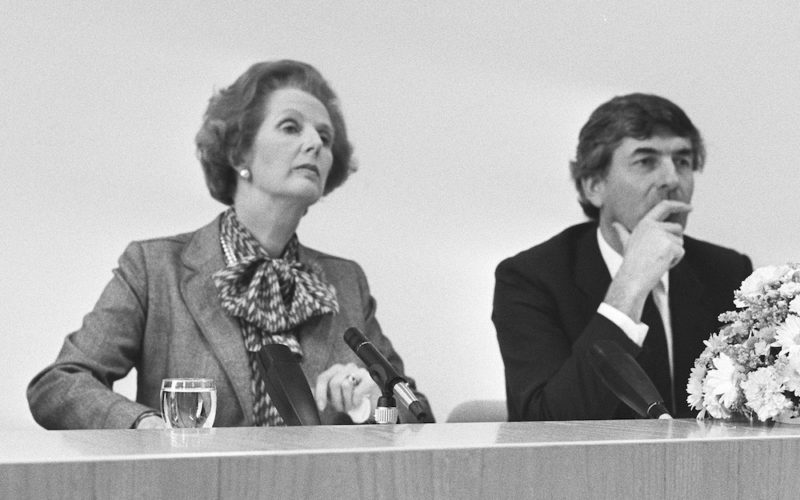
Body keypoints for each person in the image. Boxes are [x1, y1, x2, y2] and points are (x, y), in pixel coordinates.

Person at [28, 60, 433, 429]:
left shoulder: (345, 280)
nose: (315, 144)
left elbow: (418, 413)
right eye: (291, 127)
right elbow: (60, 385)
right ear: (240, 151)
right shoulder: (154, 267)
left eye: (325, 137)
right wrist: (145, 426)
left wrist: (372, 401)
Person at [492, 93, 752, 421]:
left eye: (683, 162)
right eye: (646, 161)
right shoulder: (531, 278)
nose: (672, 180)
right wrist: (630, 284)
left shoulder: (727, 271)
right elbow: (544, 424)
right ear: (593, 185)